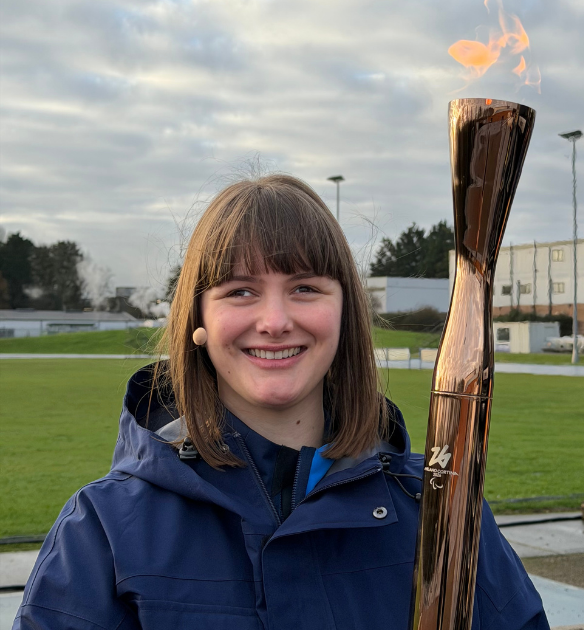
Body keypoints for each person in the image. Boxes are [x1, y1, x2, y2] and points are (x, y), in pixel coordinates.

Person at [14, 175, 548, 629]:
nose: (274, 321)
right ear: (199, 321)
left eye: (305, 288)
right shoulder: (103, 530)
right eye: (240, 291)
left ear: (344, 314)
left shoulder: (440, 509)